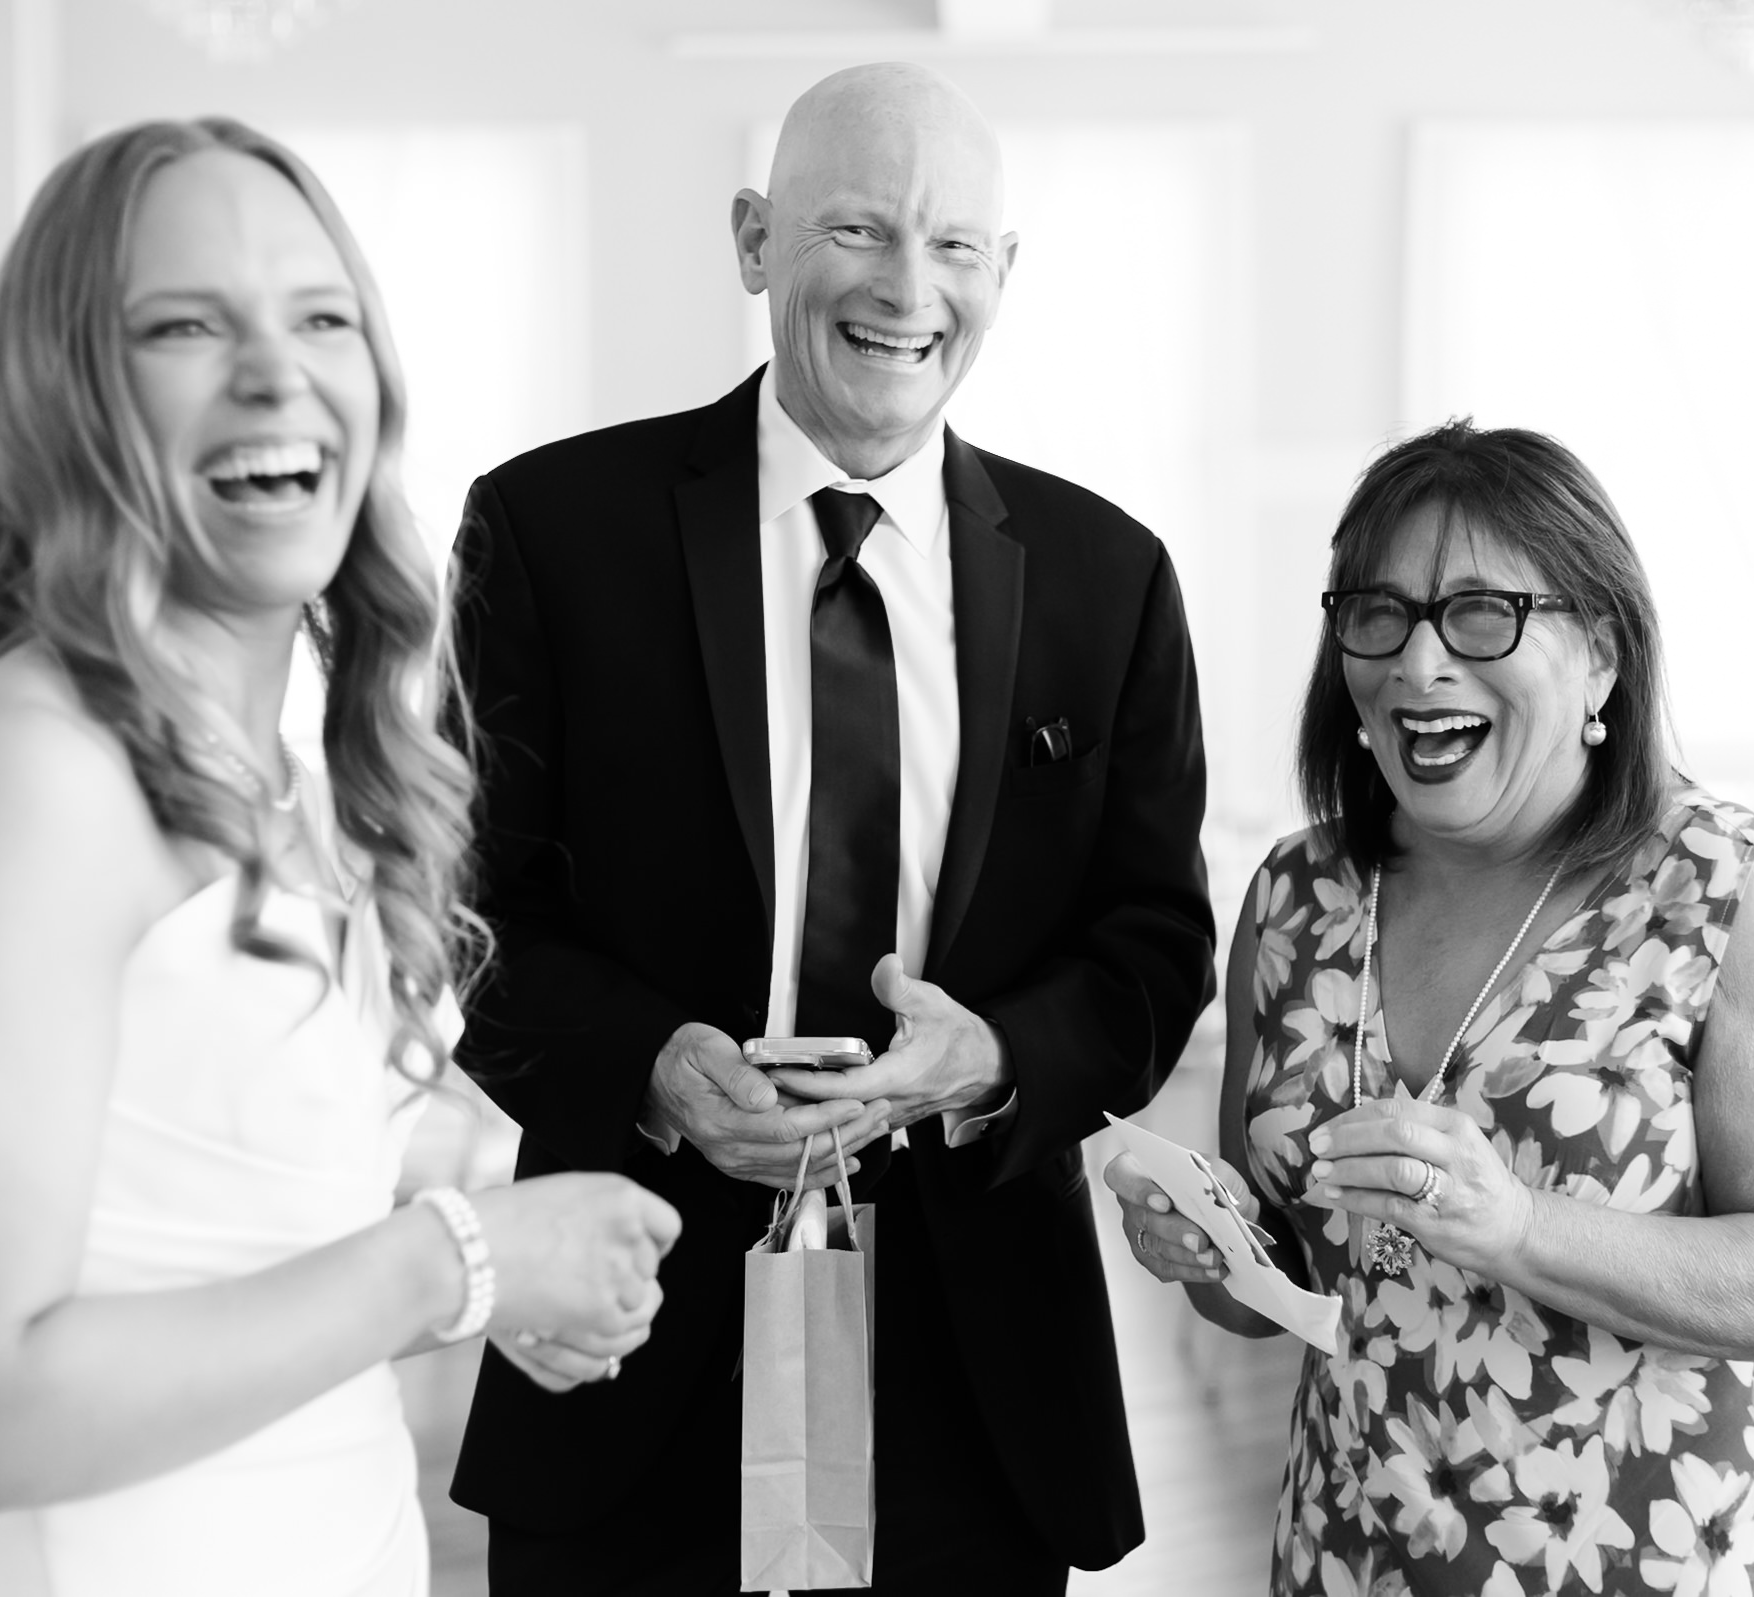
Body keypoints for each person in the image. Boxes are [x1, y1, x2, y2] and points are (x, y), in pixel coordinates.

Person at [0, 118, 680, 1595]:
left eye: (321, 317)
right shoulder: (25, 779)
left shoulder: (262, 762)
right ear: (68, 393)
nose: (276, 372)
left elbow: (190, 1216)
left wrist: (463, 1256)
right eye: (185, 325)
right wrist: (462, 1260)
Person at [446, 62, 1214, 1597]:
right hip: (629, 1309)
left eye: (952, 247)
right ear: (753, 239)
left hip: (974, 1348)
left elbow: (1153, 947)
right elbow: (459, 916)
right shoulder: (548, 532)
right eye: (854, 229)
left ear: (1005, 275)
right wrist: (657, 1064)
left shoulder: (1104, 576)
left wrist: (991, 1057)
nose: (905, 289)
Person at [1105, 422, 1754, 1597]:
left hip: (1647, 1554)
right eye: (1378, 613)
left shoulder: (1727, 893)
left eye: (1481, 613)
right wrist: (1205, 1252)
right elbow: (1287, 1288)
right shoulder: (1295, 896)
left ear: (1601, 657)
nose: (1417, 665)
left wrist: (1517, 1224)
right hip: (1349, 1547)